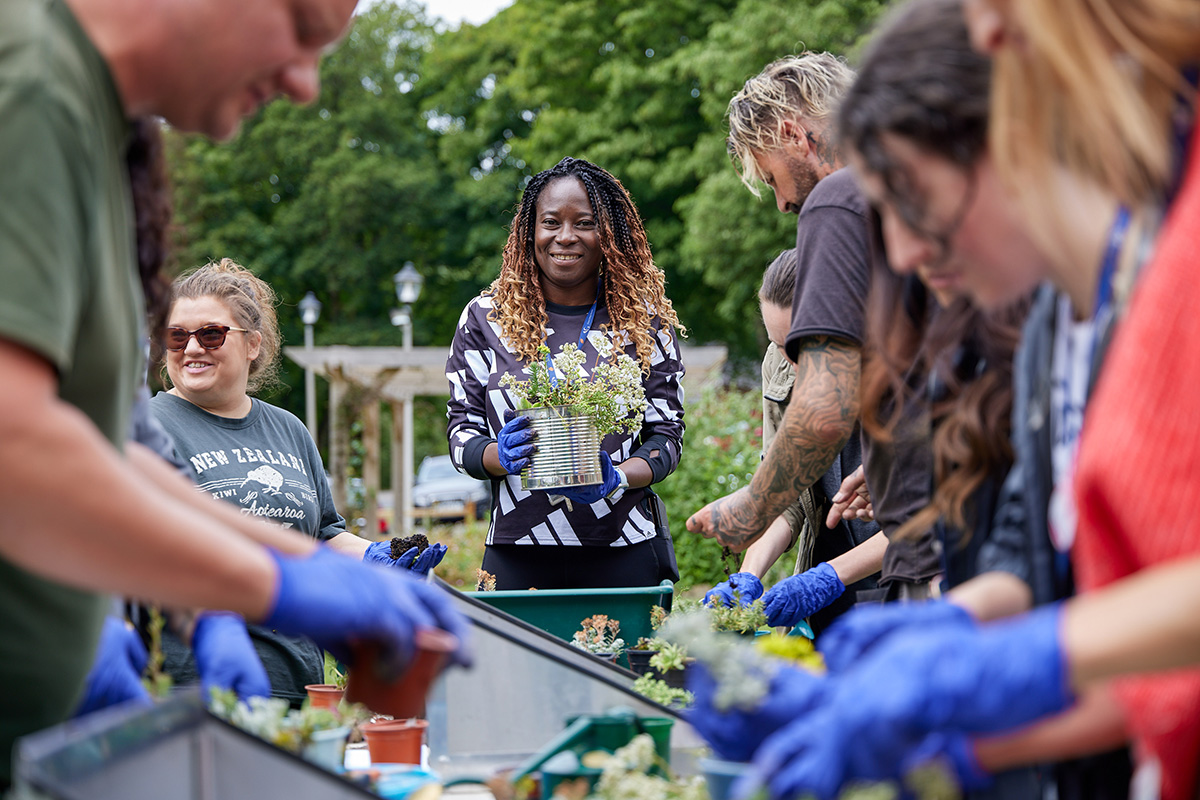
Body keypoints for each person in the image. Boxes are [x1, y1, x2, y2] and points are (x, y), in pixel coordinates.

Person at [702, 0, 1199, 796]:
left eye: (916, 198)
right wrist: (955, 702)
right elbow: (1059, 581)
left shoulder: (1162, 270)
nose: (901, 253)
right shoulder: (1046, 331)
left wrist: (1000, 661)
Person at [0, 0, 469, 785]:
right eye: (302, 31)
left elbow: (114, 453)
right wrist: (269, 584)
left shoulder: (91, 121)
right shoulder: (30, 87)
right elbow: (14, 440)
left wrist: (310, 568)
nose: (305, 84)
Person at [686, 53, 940, 628]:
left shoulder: (841, 197)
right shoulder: (930, 189)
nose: (781, 203)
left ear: (791, 132)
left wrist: (752, 506)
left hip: (929, 568)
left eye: (772, 176)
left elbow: (824, 411)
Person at [150, 259, 446, 706]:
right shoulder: (150, 426)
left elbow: (322, 532)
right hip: (198, 678)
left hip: (299, 679)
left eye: (210, 334)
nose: (192, 348)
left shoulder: (287, 429)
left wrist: (375, 556)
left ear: (252, 344)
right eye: (176, 335)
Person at [445, 157, 686, 590]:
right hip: (519, 548)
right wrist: (499, 457)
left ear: (609, 233)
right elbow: (460, 432)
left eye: (585, 223)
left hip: (623, 548)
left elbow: (666, 437)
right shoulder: (485, 319)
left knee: (625, 660)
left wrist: (617, 478)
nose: (565, 237)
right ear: (529, 231)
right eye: (551, 222)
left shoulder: (644, 324)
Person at [702, 249, 887, 633]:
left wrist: (825, 579)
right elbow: (785, 497)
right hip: (832, 591)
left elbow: (928, 520)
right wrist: (748, 578)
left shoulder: (906, 374)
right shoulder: (782, 363)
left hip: (906, 589)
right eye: (777, 343)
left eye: (800, 344)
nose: (788, 359)